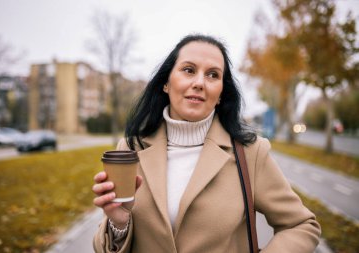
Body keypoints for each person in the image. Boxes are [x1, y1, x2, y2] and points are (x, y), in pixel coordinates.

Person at [92, 34, 321, 253]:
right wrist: (119, 224)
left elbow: (301, 225)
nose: (200, 82)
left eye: (213, 75)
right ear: (166, 83)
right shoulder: (131, 149)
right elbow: (104, 248)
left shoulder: (250, 153)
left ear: (221, 93)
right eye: (188, 70)